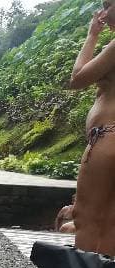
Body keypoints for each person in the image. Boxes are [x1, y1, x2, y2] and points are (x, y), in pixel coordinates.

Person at [68, 2, 115, 254]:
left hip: (108, 138)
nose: (104, 13)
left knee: (84, 217)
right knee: (111, 221)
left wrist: (92, 35)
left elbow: (78, 79)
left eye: (109, 5)